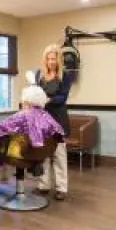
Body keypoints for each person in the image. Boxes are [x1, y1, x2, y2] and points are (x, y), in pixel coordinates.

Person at [0, 85, 64, 185]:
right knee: (8, 143)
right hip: (41, 154)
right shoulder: (47, 117)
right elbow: (59, 133)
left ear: (26, 100)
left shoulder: (22, 116)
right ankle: (2, 179)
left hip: (23, 154)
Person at [35, 44, 75, 201]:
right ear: (45, 60)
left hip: (58, 118)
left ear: (58, 60)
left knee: (59, 154)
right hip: (43, 119)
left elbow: (63, 97)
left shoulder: (65, 75)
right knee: (43, 153)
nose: (51, 61)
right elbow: (36, 92)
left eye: (54, 59)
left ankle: (61, 188)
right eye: (49, 59)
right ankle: (44, 185)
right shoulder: (40, 75)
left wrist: (48, 100)